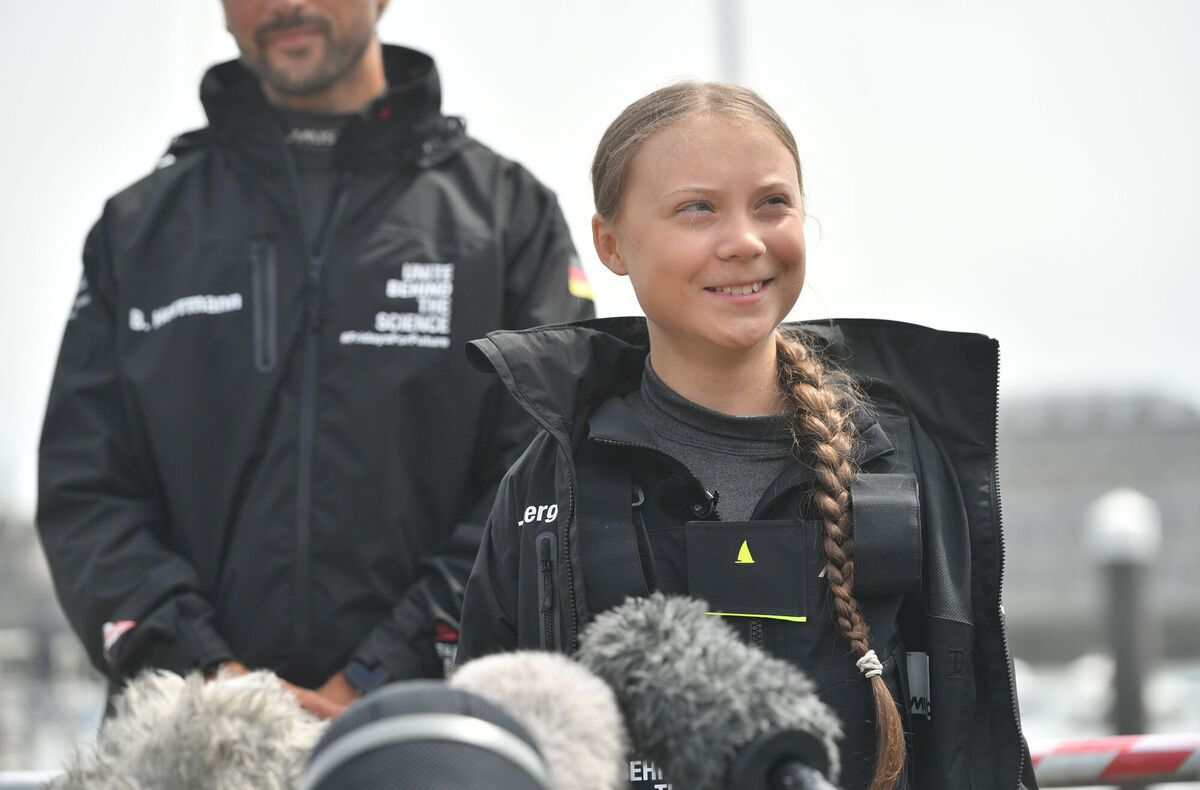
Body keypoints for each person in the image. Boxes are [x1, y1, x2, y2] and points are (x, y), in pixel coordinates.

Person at [455, 83, 1037, 789]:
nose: (744, 241)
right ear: (611, 243)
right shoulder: (549, 481)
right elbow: (481, 742)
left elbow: (973, 737)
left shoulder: (904, 464)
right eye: (696, 208)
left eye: (773, 203)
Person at [36, 0, 593, 720]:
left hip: (429, 725)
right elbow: (87, 489)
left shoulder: (509, 219)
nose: (283, 4)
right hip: (185, 734)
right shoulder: (137, 228)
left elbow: (549, 468)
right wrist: (206, 676)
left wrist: (383, 676)